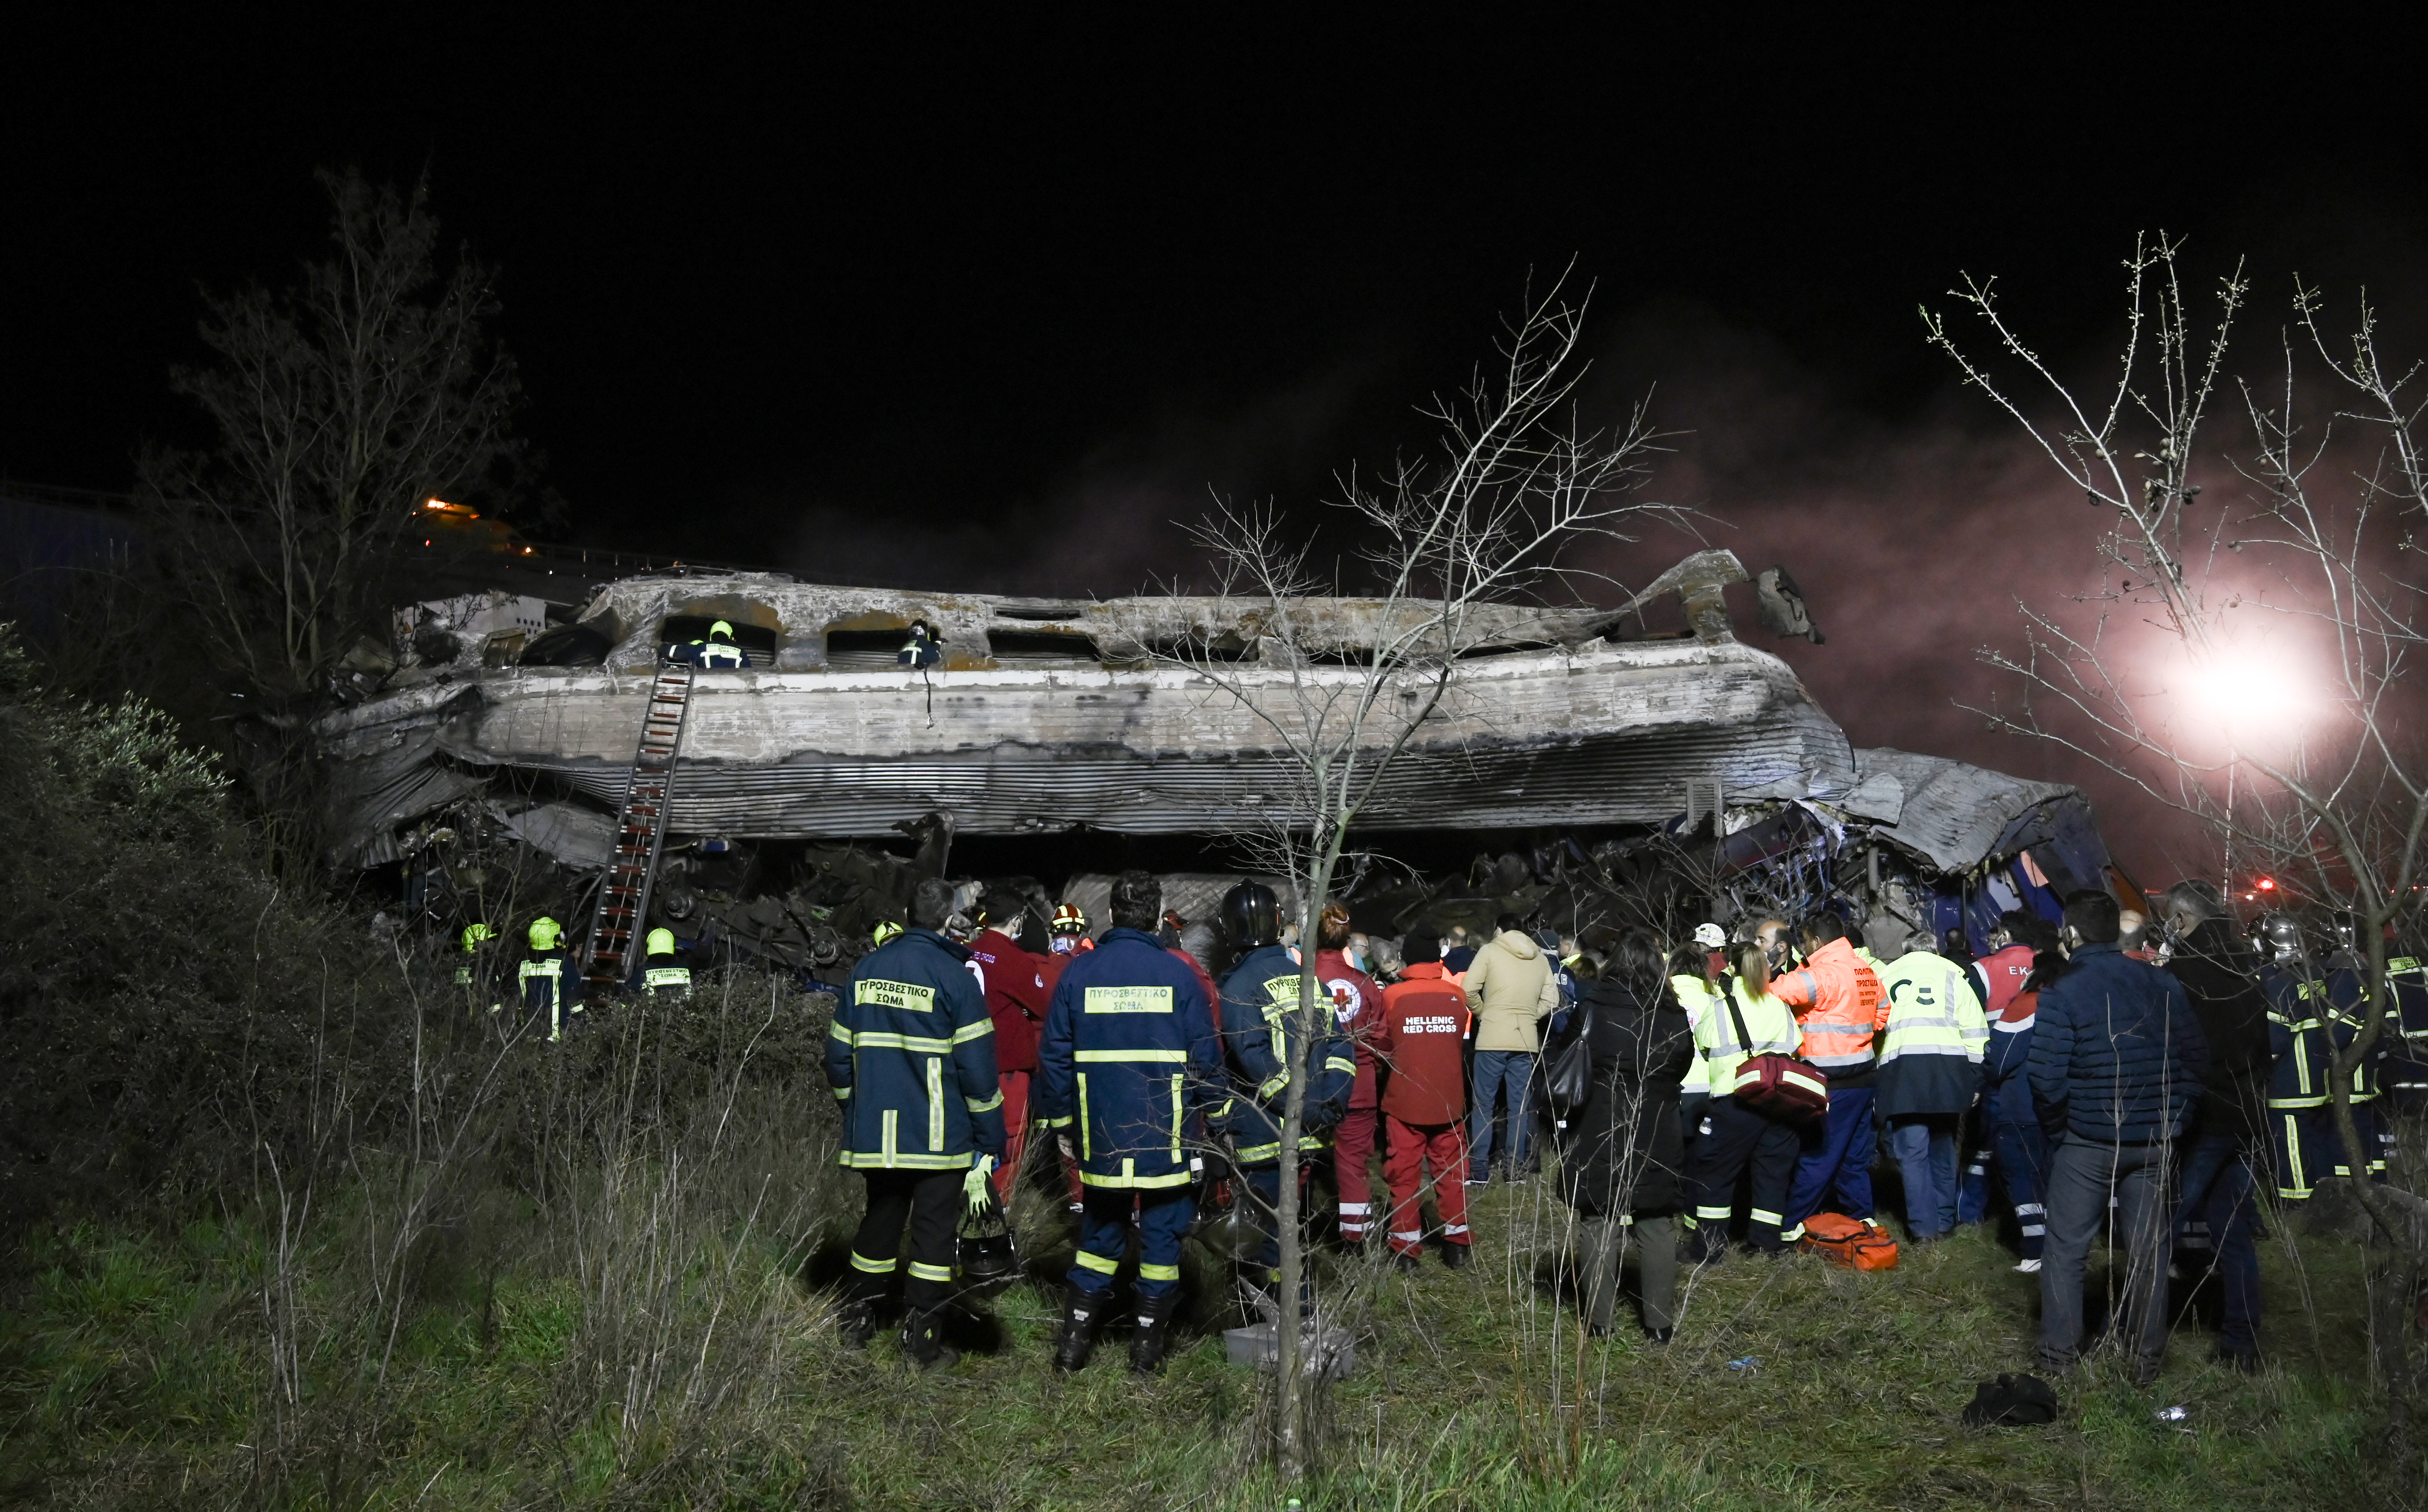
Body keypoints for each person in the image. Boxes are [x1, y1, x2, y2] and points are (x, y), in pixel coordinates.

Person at [1034, 870, 1222, 1373]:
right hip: (1167, 1134)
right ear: (1159, 917)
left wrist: (1061, 1125)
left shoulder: (1079, 972)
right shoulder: (1179, 973)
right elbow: (1206, 1056)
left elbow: (1053, 1056)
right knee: (1162, 1241)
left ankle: (1073, 1349)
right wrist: (1219, 1119)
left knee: (1097, 1238)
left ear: (1113, 914)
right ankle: (1147, 1353)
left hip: (1102, 1134)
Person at [824, 877, 1007, 1367]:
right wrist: (992, 1138)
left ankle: (858, 1322)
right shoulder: (955, 979)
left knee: (878, 1226)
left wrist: (853, 1109)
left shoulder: (866, 970)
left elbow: (837, 1057)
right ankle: (921, 1344)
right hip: (937, 1138)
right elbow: (978, 1074)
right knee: (932, 1238)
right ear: (950, 921)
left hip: (877, 1138)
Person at [2027, 889, 2208, 1384]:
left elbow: (2044, 1077)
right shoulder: (2163, 984)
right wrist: (2176, 1118)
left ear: (2071, 935)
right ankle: (2145, 1361)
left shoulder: (2064, 991)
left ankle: (2059, 1360)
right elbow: (2195, 1061)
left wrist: (2061, 1130)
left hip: (2087, 1140)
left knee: (2066, 1251)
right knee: (2151, 1253)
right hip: (2154, 1141)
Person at [1212, 881, 1358, 1307]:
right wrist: (1330, 1104)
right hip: (1313, 1135)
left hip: (1266, 1135)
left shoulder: (1237, 988)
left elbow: (1255, 1061)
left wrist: (1302, 1109)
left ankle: (1287, 1317)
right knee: (1296, 1226)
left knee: (1269, 1235)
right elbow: (1341, 1048)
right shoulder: (1309, 980)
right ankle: (1294, 1311)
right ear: (1279, 923)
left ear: (1229, 930)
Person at [1562, 931, 1696, 1341]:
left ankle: (1600, 1324)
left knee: (1599, 1218)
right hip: (1657, 1124)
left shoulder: (1594, 1008)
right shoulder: (1672, 1013)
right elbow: (1683, 1065)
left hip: (1602, 1123)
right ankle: (1659, 1326)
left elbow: (1569, 1054)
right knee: (1656, 1221)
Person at [2163, 880, 2270, 1371]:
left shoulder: (2183, 971)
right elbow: (2261, 1045)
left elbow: (2178, 1047)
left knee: (2163, 1222)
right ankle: (2241, 1342)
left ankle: (2132, 1333)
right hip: (2243, 1111)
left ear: (2183, 921)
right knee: (2233, 1231)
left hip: (2203, 1113)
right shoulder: (2245, 964)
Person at [1684, 942, 1807, 1260]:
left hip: (1734, 1101)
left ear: (1733, 969)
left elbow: (1704, 1043)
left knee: (1716, 1176)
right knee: (1772, 1176)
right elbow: (1796, 1044)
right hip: (1778, 1104)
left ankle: (1708, 1250)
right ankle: (1766, 1245)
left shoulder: (1722, 1008)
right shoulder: (1779, 1006)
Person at [1770, 914, 1888, 1234]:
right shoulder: (1865, 971)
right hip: (1864, 1078)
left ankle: (1793, 1223)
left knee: (1818, 1156)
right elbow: (1883, 1010)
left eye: (1806, 942)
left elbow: (1774, 992)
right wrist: (1859, 1037)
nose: (1804, 948)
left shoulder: (1821, 974)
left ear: (1817, 942)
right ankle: (1862, 1218)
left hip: (1830, 1082)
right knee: (1853, 1157)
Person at [1874, 929, 1989, 1245]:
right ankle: (1945, 1222)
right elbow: (1976, 1033)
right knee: (1943, 1149)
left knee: (1913, 1155)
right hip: (1948, 1074)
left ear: (1905, 949)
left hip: (1903, 1076)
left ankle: (1923, 1230)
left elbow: (1875, 1028)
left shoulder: (1886, 976)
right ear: (1935, 950)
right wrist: (1975, 1080)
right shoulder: (1954, 977)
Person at [1372, 932, 1474, 1270]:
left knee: (1404, 1177)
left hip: (1404, 1101)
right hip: (1449, 1101)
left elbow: (1381, 1047)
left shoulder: (1391, 997)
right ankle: (1457, 1246)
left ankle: (1406, 1251)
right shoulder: (1457, 997)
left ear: (1405, 958)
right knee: (1452, 1175)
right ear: (1438, 959)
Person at [1958, 912, 2045, 1234]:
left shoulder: (1984, 968)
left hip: (1996, 1067)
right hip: (2039, 1070)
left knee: (1981, 1147)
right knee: (2031, 1151)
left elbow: (1968, 1018)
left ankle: (1970, 1214)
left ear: (2006, 935)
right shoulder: (2047, 964)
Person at [969, 888, 1051, 1206]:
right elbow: (1043, 1006)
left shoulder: (969, 950)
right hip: (1006, 1065)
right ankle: (995, 1210)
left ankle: (968, 1202)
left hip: (968, 1060)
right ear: (1017, 921)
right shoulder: (1014, 959)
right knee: (1010, 1141)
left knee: (973, 1137)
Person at [1464, 913, 1560, 1183]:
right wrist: (1530, 1016)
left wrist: (1485, 1013)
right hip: (1526, 1041)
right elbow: (1552, 1000)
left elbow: (1468, 990)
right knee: (1519, 1108)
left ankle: (1480, 1172)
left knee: (1483, 1106)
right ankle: (1515, 1173)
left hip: (1492, 1039)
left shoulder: (1489, 951)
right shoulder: (1539, 958)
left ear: (1498, 930)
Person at [1313, 903, 1387, 1246]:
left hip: (1315, 1085)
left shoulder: (1304, 980)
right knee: (1354, 1163)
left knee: (1302, 1164)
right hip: (1360, 1085)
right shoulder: (1365, 983)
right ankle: (1357, 1239)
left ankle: (1294, 1240)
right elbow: (1382, 1037)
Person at [2259, 914, 2334, 1201]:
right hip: (2320, 1077)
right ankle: (2324, 1199)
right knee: (2317, 1142)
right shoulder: (2315, 973)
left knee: (2291, 1145)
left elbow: (2276, 1039)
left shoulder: (2279, 981)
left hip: (2291, 1082)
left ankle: (2296, 1203)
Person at [518, 916, 584, 1041]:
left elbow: (515, 997)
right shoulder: (564, 963)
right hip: (560, 1036)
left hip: (529, 1035)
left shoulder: (523, 964)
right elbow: (575, 998)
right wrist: (580, 1026)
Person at [640, 926, 691, 997]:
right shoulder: (686, 971)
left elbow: (626, 996)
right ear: (674, 948)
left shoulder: (641, 973)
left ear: (647, 949)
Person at [674, 618, 746, 668]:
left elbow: (676, 651)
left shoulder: (703, 648)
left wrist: (664, 648)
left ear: (711, 637)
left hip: (706, 687)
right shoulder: (740, 652)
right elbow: (749, 673)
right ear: (730, 636)